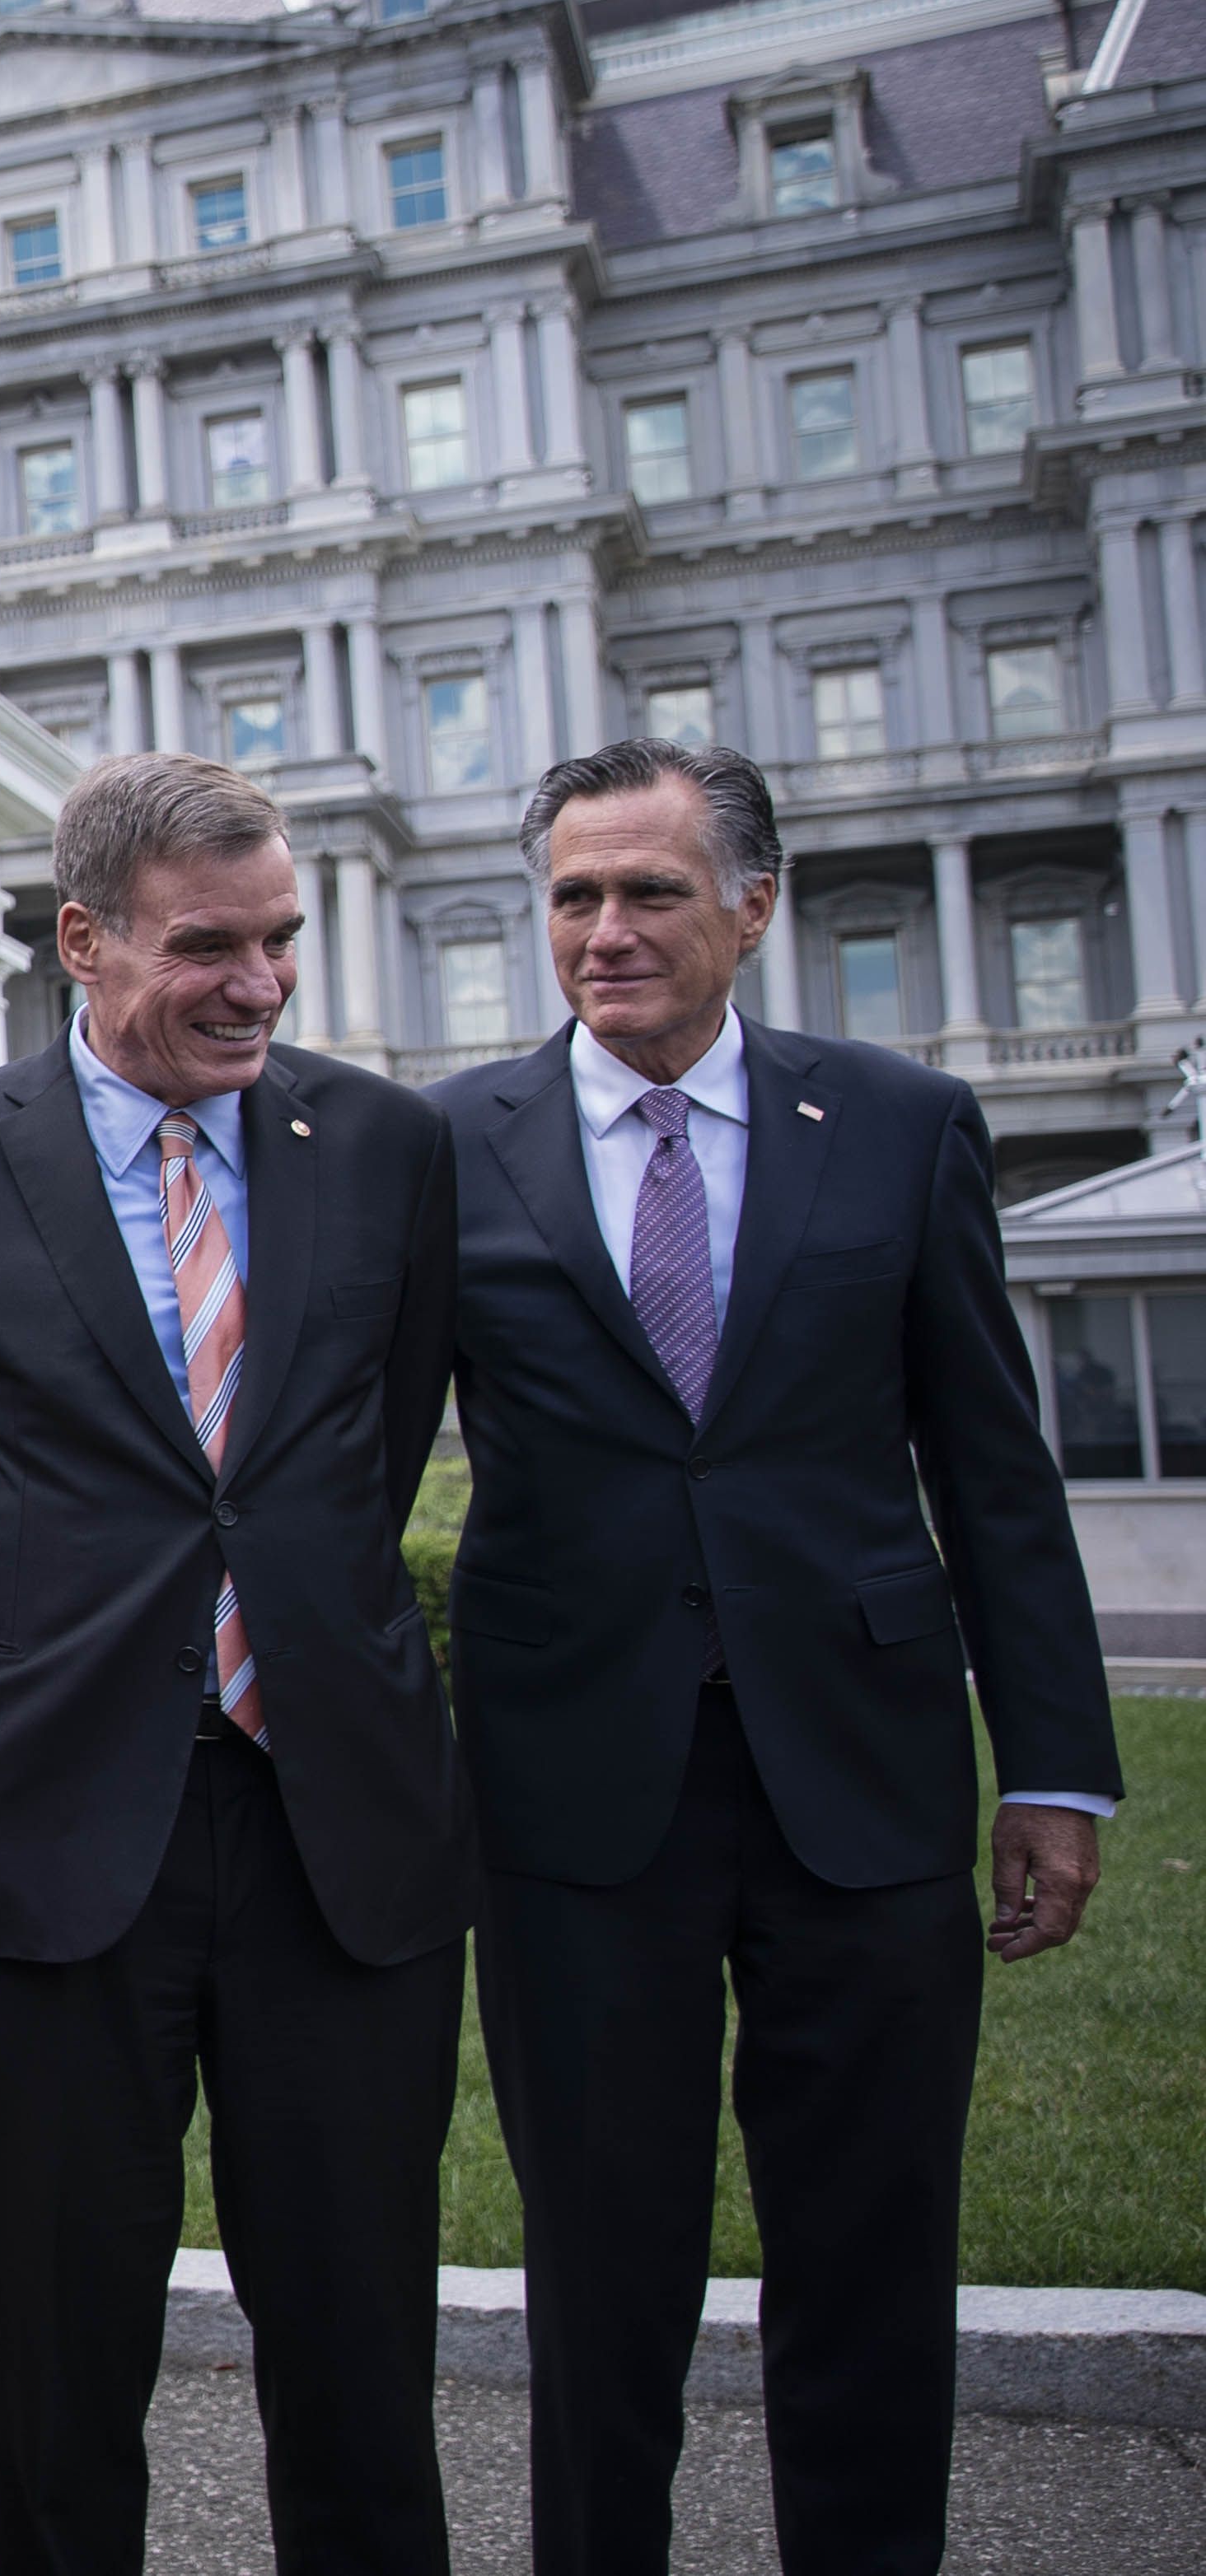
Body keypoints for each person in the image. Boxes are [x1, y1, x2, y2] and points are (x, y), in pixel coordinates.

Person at [433, 740, 1120, 2576]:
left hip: (862, 1771)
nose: (602, 931)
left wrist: (1049, 1760)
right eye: (571, 893)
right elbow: (341, 1471)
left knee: (872, 2247)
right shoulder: (447, 1147)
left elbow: (991, 1464)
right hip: (573, 1785)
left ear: (752, 905)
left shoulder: (898, 1123)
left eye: (647, 891)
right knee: (600, 2261)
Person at [0, 752, 470, 2576]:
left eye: (277, 939)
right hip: (45, 1839)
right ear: (80, 941)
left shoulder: (384, 1148)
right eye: (207, 946)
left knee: (359, 2346)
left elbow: (366, 1435)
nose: (256, 983)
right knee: (59, 2352)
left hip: (336, 1831)